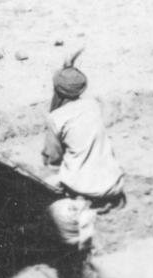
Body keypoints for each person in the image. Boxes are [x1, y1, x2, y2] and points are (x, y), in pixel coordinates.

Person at [42, 49, 125, 209]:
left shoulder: (57, 118)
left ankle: (85, 200)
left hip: (86, 189)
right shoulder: (93, 105)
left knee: (47, 180)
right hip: (115, 183)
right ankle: (102, 199)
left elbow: (53, 159)